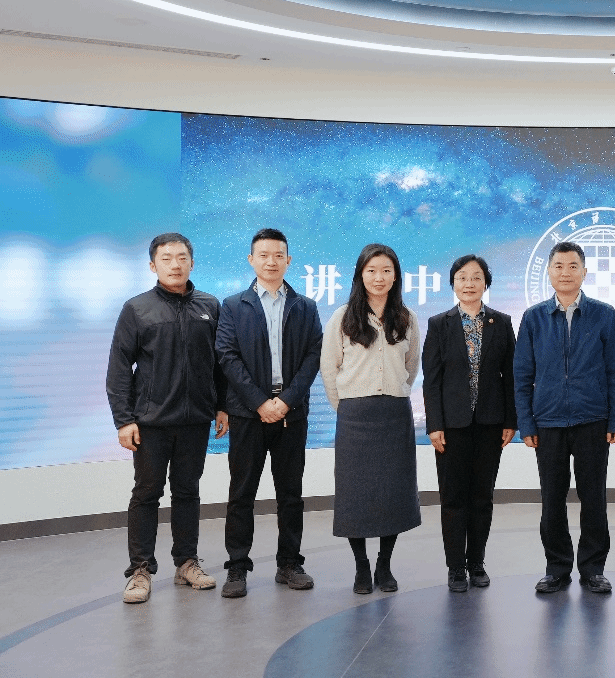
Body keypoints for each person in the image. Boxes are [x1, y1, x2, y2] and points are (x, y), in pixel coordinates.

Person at [106, 232, 227, 603]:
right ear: (152, 265)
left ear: (192, 262)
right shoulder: (137, 309)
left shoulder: (210, 305)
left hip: (195, 420)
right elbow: (119, 368)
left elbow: (220, 363)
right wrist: (124, 419)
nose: (175, 265)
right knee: (147, 493)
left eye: (181, 257)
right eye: (166, 258)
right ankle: (140, 570)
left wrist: (222, 405)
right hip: (150, 422)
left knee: (187, 492)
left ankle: (186, 563)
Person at [215, 228, 324, 599]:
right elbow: (227, 356)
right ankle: (237, 567)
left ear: (288, 260)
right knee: (241, 493)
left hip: (291, 413)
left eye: (278, 255)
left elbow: (313, 356)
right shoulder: (233, 306)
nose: (271, 261)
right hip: (248, 414)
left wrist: (286, 401)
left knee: (290, 493)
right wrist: (260, 402)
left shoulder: (305, 307)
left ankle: (289, 564)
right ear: (251, 260)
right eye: (263, 255)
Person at [514, 241, 615, 594]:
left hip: (592, 419)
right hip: (548, 422)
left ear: (584, 272)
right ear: (549, 272)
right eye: (559, 266)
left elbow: (614, 372)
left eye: (573, 266)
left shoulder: (604, 315)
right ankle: (557, 568)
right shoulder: (533, 318)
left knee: (594, 498)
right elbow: (521, 375)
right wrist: (526, 423)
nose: (565, 272)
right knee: (552, 500)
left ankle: (593, 569)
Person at [320, 243, 422, 594]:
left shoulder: (406, 318)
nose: (379, 278)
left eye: (386, 271)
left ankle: (384, 564)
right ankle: (361, 565)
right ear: (360, 275)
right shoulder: (342, 317)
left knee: (393, 492)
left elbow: (411, 367)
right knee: (356, 494)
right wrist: (345, 407)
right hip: (355, 417)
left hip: (394, 413)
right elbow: (329, 367)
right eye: (372, 270)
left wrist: (394, 390)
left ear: (396, 276)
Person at [422, 255, 517, 593]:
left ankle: (476, 563)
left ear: (486, 283)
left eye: (476, 277)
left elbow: (511, 376)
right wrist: (434, 424)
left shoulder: (501, 322)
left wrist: (511, 419)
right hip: (451, 426)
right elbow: (431, 380)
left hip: (490, 423)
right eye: (462, 277)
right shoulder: (439, 324)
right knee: (453, 498)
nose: (469, 283)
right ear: (453, 283)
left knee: (482, 497)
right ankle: (455, 568)